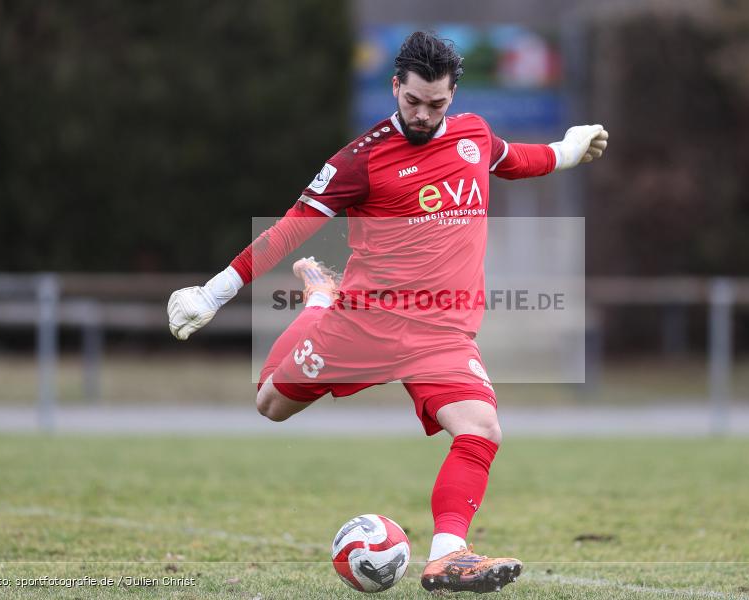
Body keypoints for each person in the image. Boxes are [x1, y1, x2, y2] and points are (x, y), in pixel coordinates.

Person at [167, 31, 607, 593]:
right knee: (270, 404)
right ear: (395, 87)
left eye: (437, 104)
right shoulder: (361, 160)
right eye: (412, 102)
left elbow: (513, 159)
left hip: (441, 328)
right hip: (364, 323)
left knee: (481, 428)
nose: (423, 115)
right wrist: (212, 293)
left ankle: (449, 555)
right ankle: (321, 302)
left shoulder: (472, 134)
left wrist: (567, 151)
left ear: (453, 94)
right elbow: (287, 232)